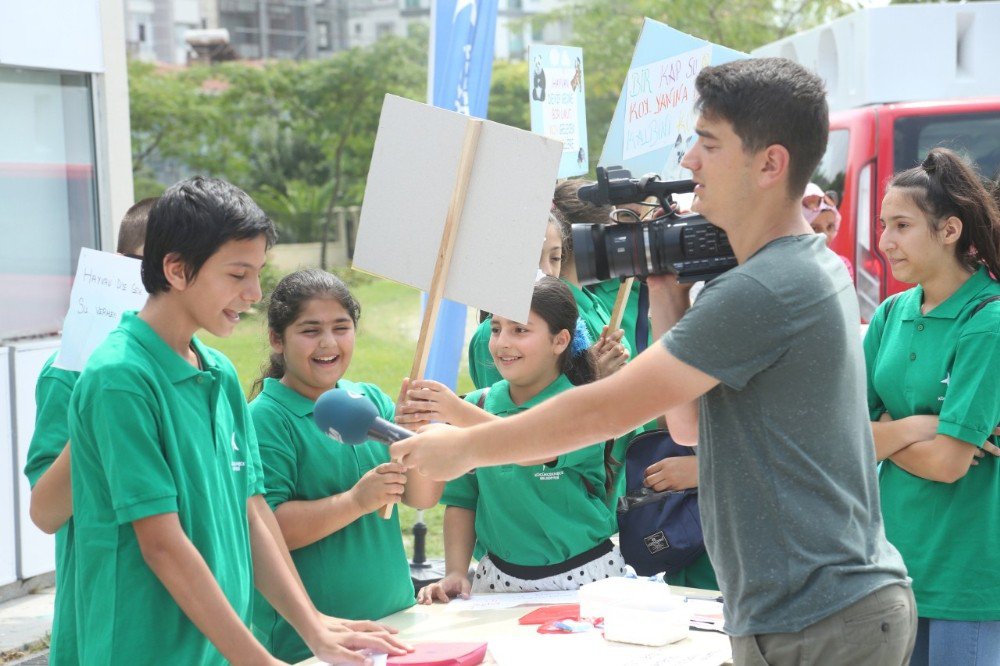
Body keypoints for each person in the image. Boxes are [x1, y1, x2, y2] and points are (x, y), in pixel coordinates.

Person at [391, 58, 915, 666]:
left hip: (820, 617)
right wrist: (667, 294)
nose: (688, 160)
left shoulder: (765, 287)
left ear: (770, 163)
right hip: (801, 610)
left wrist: (464, 446)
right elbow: (687, 426)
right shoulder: (797, 266)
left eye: (708, 143)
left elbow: (607, 408)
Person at [68, 177, 404, 665]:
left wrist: (314, 627)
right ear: (177, 270)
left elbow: (253, 513)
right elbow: (162, 545)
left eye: (259, 273)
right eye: (237, 274)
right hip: (144, 649)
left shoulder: (219, 373)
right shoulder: (121, 378)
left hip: (220, 649)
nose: (253, 293)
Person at [248, 268, 441, 663]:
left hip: (397, 620)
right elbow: (267, 530)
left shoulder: (368, 399)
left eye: (341, 327)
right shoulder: (266, 418)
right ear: (276, 339)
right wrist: (355, 501)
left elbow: (421, 497)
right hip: (311, 644)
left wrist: (417, 442)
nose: (328, 343)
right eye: (310, 330)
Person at [400, 277, 625, 602]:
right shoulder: (477, 404)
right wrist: (456, 572)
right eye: (496, 329)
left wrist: (455, 412)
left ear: (560, 340)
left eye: (520, 330)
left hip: (583, 578)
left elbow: (531, 449)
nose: (502, 342)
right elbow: (463, 500)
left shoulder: (583, 406)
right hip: (498, 581)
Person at [864, 147, 1000, 666]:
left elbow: (949, 464)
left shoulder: (987, 320)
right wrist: (925, 425)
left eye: (901, 225)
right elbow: (844, 436)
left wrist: (886, 431)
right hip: (893, 567)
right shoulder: (890, 313)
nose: (884, 242)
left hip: (967, 574)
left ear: (949, 231)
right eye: (883, 224)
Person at [23, 197, 155, 666]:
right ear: (120, 266)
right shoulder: (70, 375)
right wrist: (106, 394)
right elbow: (48, 507)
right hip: (106, 615)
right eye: (150, 264)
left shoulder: (203, 370)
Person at [468, 213, 564, 389]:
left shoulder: (563, 320)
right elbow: (496, 412)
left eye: (555, 258)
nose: (548, 270)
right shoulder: (488, 337)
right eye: (533, 258)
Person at [802, 181, 854, 278]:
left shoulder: (842, 266)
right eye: (815, 229)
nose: (825, 235)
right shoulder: (787, 268)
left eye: (830, 226)